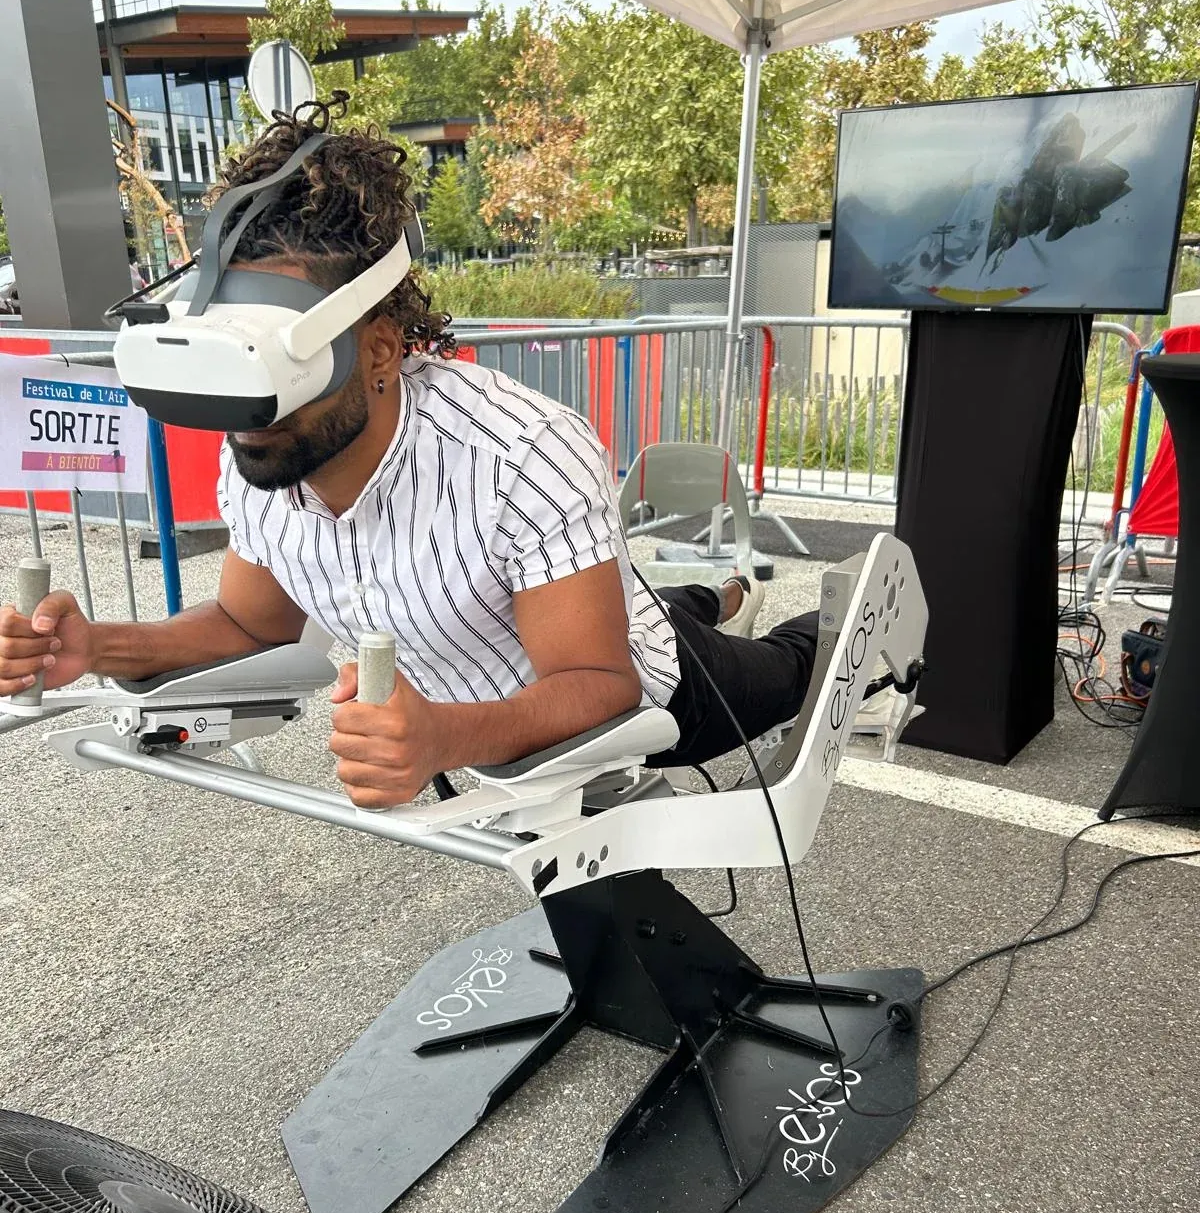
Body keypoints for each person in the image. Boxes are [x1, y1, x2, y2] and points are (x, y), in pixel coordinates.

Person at [0, 102, 818, 810]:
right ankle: (712, 592)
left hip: (647, 680)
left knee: (782, 674)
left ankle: (784, 616)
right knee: (638, 603)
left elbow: (603, 683)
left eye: (279, 372)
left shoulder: (520, 453)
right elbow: (251, 623)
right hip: (513, 653)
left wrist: (444, 736)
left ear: (382, 349)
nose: (252, 419)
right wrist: (95, 645)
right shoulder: (260, 449)